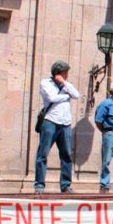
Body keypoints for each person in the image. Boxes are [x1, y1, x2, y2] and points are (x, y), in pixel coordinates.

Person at [34, 60, 80, 194]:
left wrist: (64, 83)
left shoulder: (66, 84)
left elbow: (76, 95)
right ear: (57, 73)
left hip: (65, 123)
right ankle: (39, 185)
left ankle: (65, 185)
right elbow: (52, 98)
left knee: (66, 155)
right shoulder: (45, 83)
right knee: (43, 154)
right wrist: (66, 96)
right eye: (65, 74)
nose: (67, 76)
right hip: (50, 121)